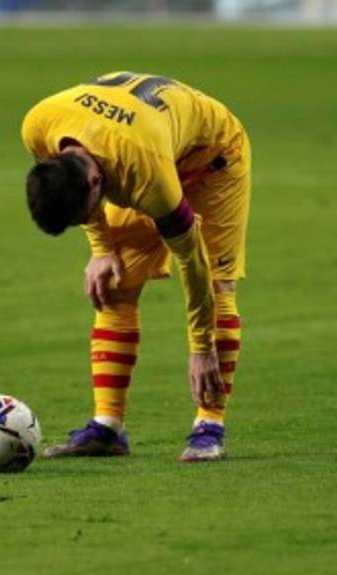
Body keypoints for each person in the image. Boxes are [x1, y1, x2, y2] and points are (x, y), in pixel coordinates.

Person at [21, 71, 251, 462]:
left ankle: (209, 426)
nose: (92, 218)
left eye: (90, 212)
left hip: (213, 158)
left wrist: (201, 348)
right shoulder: (38, 124)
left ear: (97, 180)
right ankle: (107, 429)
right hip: (147, 140)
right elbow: (76, 189)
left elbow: (191, 258)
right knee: (113, 282)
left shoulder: (145, 173)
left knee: (216, 287)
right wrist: (101, 248)